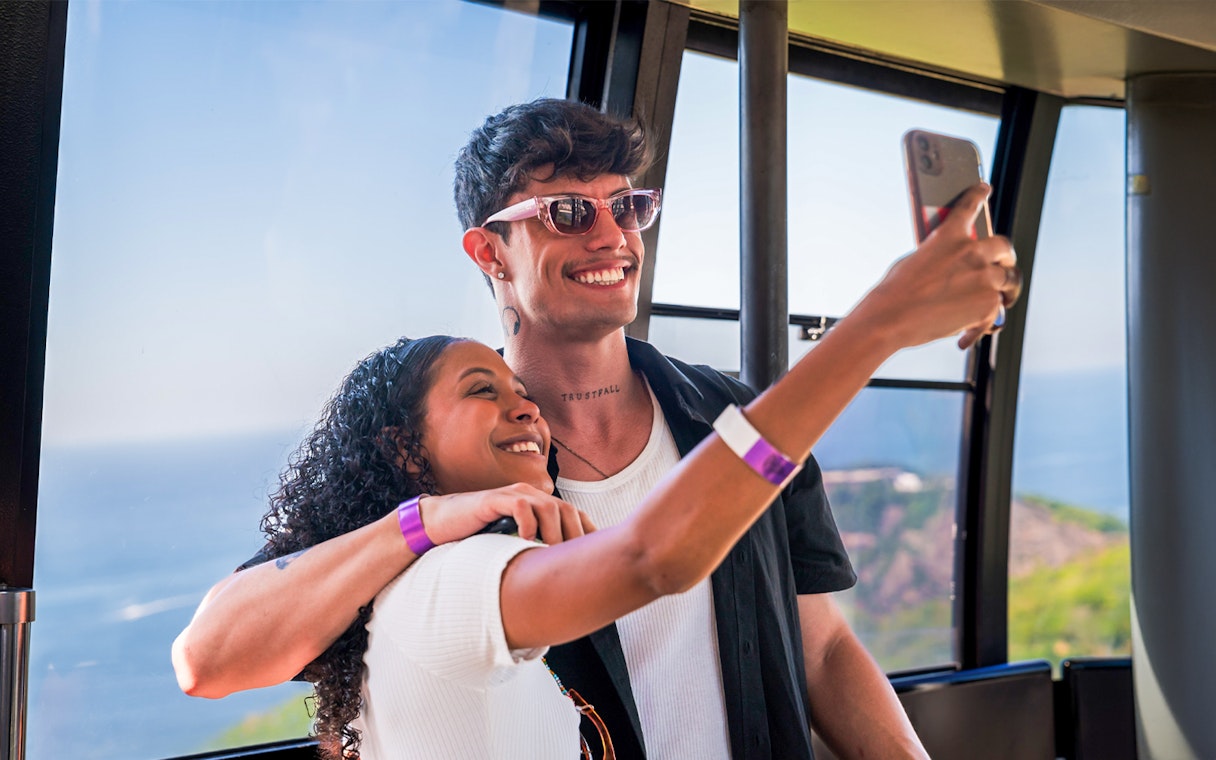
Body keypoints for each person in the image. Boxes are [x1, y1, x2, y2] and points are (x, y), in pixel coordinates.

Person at [173, 97, 1021, 759]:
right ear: (489, 252)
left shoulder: (730, 415)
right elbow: (209, 659)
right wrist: (415, 524)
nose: (613, 234)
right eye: (567, 213)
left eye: (628, 205)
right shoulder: (442, 469)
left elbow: (823, 650)